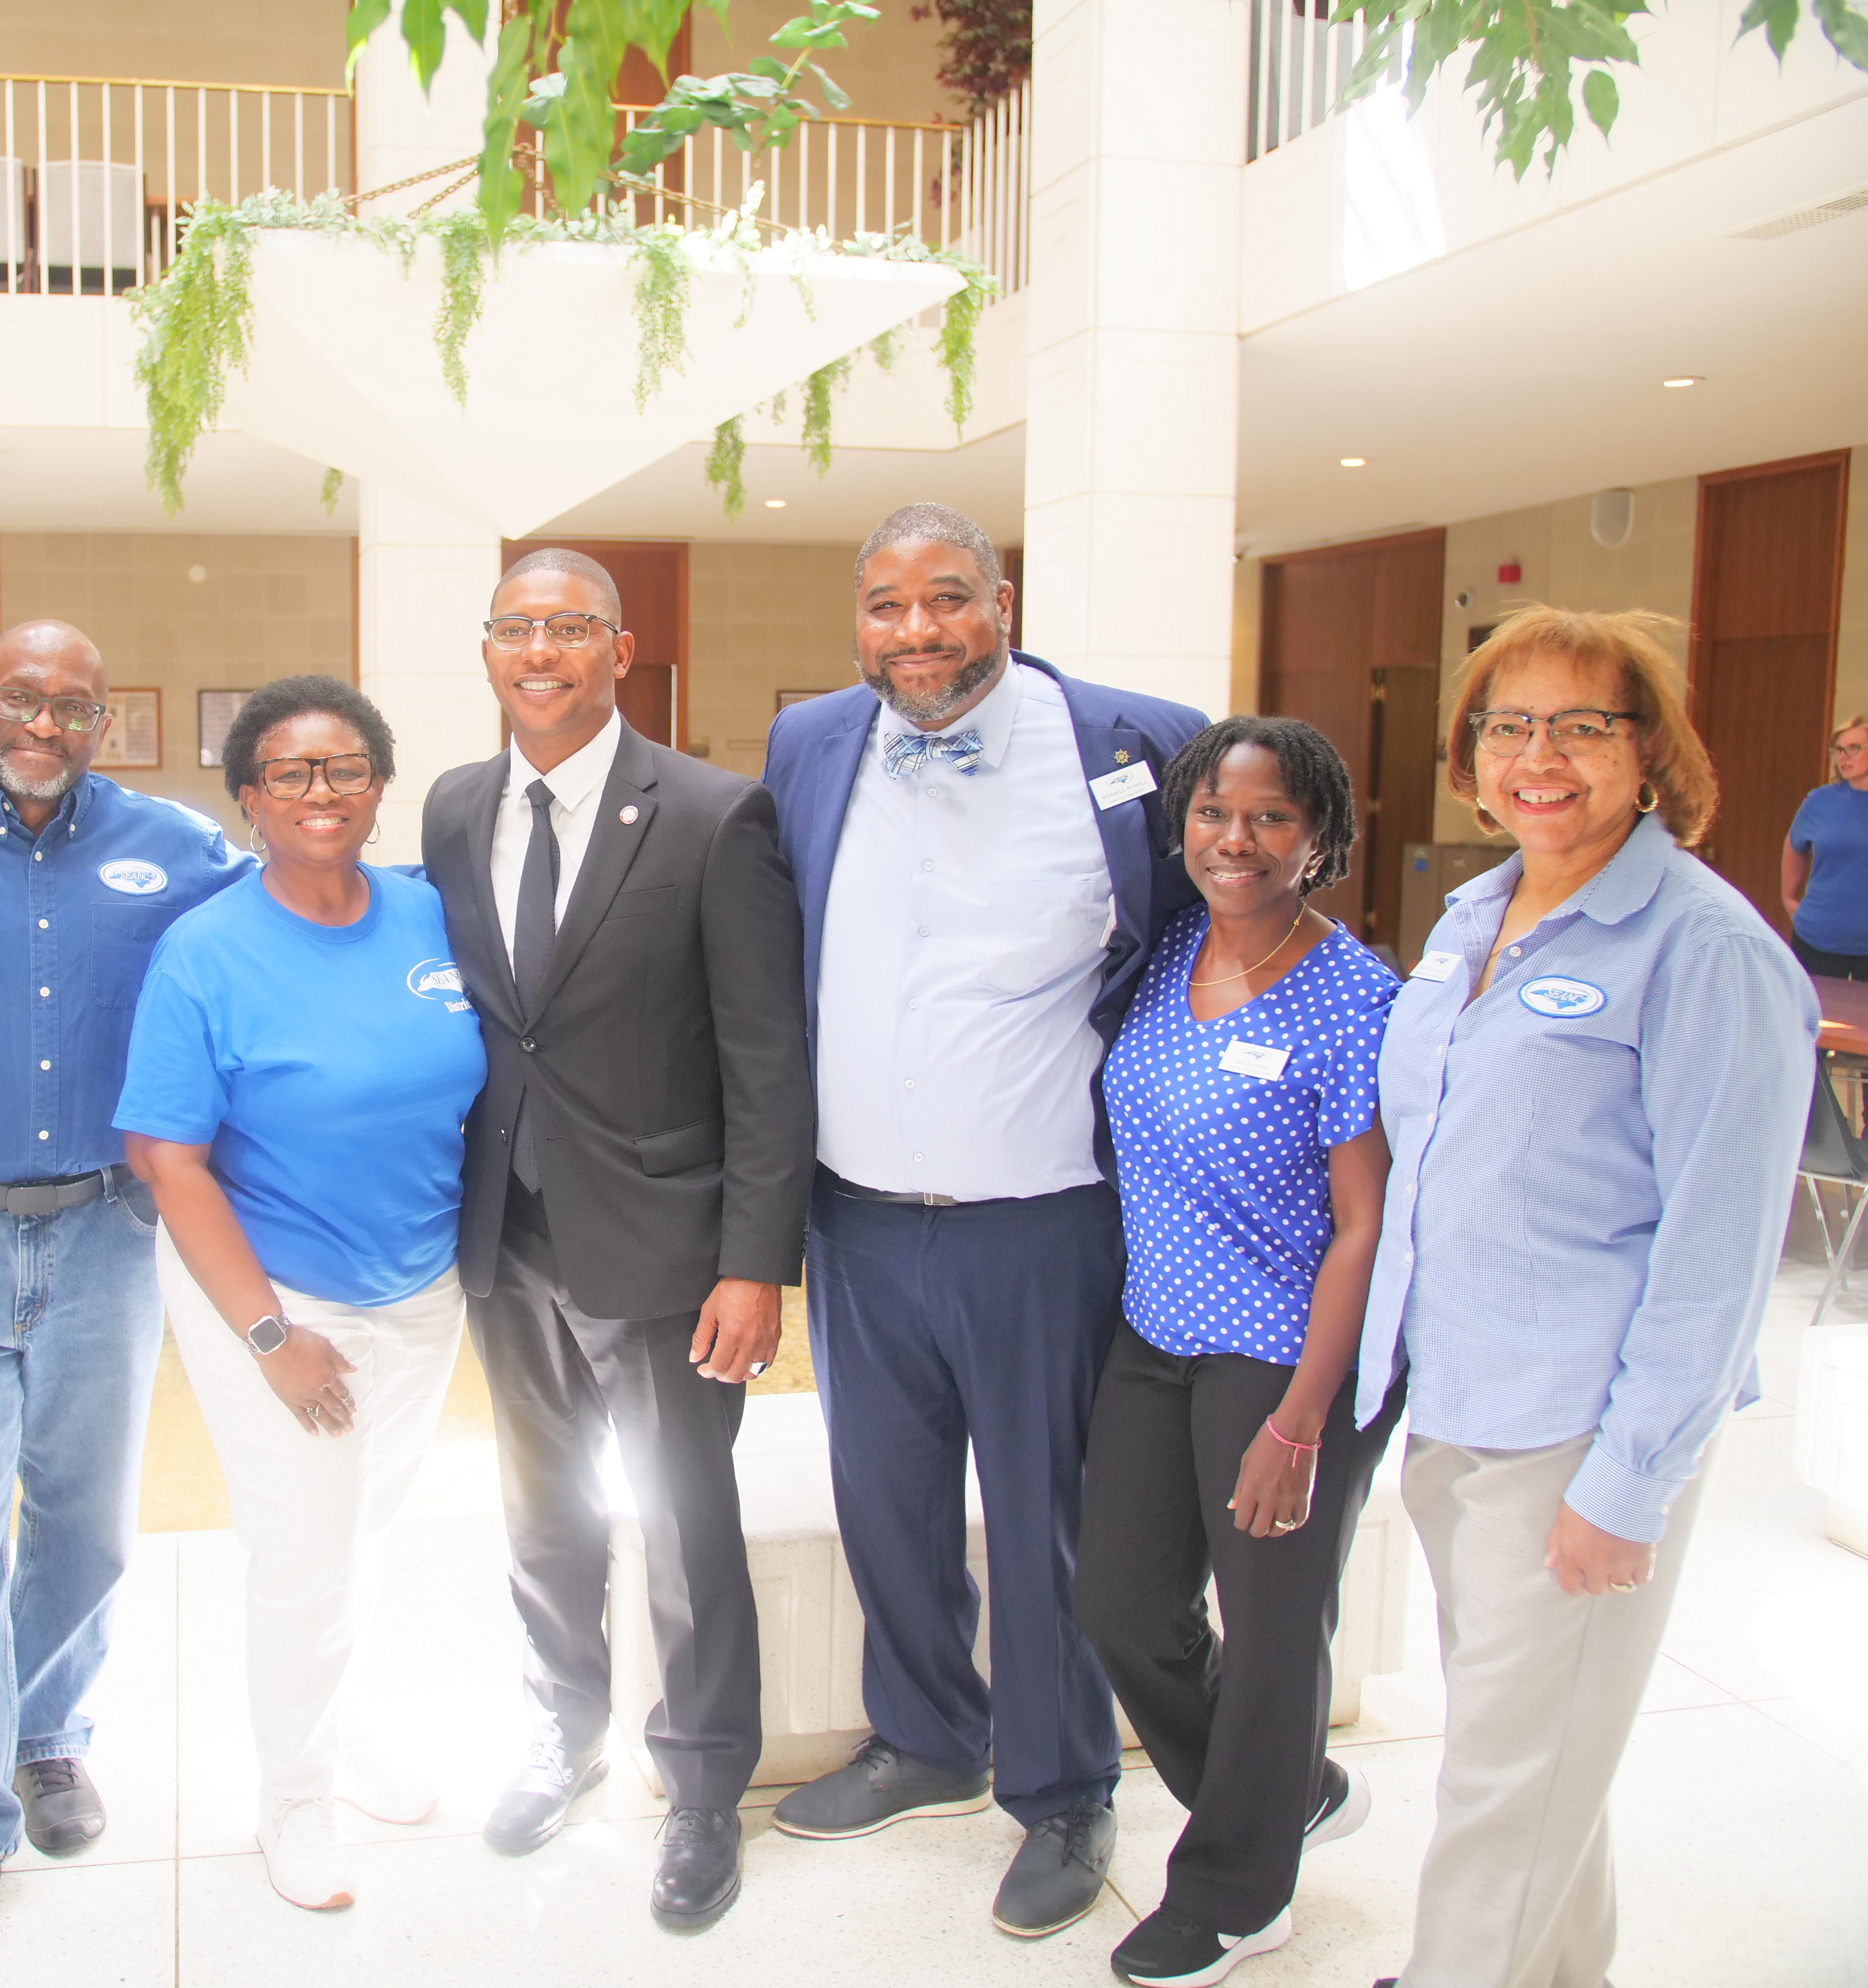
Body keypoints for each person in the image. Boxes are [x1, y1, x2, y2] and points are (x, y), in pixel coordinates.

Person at [758, 502, 1204, 1938]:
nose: (917, 633)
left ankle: (1066, 1788)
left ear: (1000, 600)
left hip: (1045, 1223)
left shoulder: (1133, 743)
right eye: (885, 607)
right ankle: (928, 1738)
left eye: (946, 599)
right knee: (885, 1505)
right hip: (859, 1218)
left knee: (1046, 1518)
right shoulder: (813, 742)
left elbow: (1209, 940)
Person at [1357, 606, 1814, 1988]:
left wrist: (1633, 1479)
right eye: (1507, 727)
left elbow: (1721, 1250)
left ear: (1649, 750)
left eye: (1580, 725)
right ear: (1470, 757)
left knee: (1504, 1785)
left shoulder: (1704, 948)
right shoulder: (1475, 914)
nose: (1537, 757)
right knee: (1539, 1759)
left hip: (1573, 1430)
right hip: (1461, 1405)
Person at [0, 620, 249, 1977]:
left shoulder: (176, 850)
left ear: (105, 717)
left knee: (86, 1523)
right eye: (23, 698)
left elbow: (281, 933)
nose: (47, 724)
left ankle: (47, 1738)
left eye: (75, 705)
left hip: (102, 1240)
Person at [418, 549, 812, 1931]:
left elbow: (769, 1057)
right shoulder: (457, 808)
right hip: (506, 1230)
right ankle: (561, 1723)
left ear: (620, 650)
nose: (543, 651)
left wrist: (756, 1261)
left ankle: (704, 1785)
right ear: (487, 651)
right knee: (544, 1508)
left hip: (663, 1242)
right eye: (518, 629)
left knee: (684, 1521)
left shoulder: (713, 814)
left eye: (571, 628)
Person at [119, 675, 488, 1912]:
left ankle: (342, 1720)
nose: (319, 792)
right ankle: (291, 1797)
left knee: (362, 1526)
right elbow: (165, 1157)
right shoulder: (207, 950)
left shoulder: (431, 916)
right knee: (301, 1553)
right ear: (247, 801)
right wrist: (274, 1336)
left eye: (344, 768)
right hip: (273, 1295)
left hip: (417, 1287)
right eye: (290, 773)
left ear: (380, 787)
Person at [1073, 716, 1402, 1987]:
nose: (1236, 839)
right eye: (1215, 811)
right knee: (1120, 1606)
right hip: (1158, 1335)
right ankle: (1285, 1788)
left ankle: (1234, 1890)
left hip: (1283, 1355)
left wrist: (1302, 1421)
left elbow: (1365, 1227)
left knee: (1271, 1634)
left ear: (1319, 836)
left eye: (1270, 817)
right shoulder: (1163, 956)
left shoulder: (1354, 996)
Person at [1782, 713, 1868, 978]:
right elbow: (1794, 845)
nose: (1843, 757)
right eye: (1839, 750)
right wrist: (1789, 899)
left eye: (1854, 749)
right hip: (1818, 940)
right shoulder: (1820, 801)